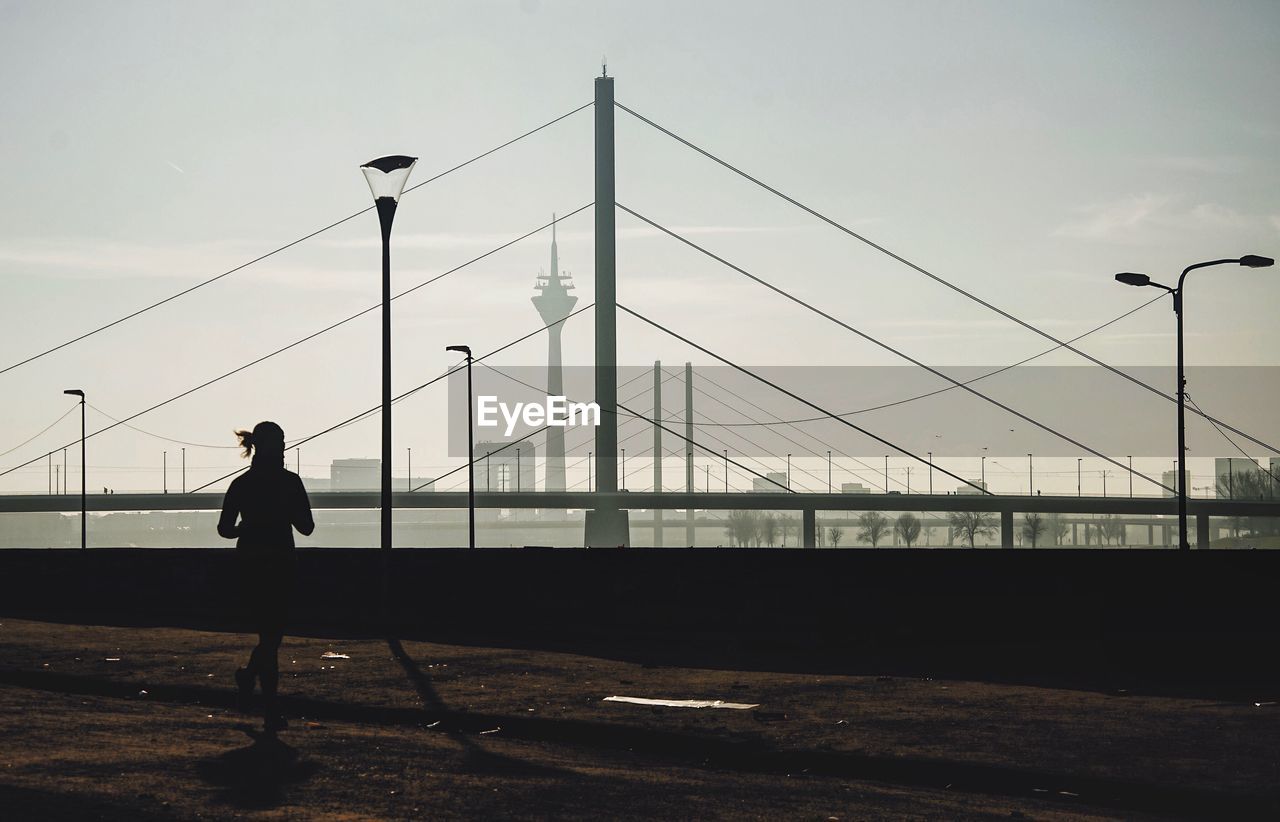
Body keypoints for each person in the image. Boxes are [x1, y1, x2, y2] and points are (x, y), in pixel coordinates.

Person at [217, 421, 314, 733]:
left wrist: (245, 528)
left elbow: (224, 529)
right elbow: (307, 527)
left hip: (251, 564)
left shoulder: (241, 485)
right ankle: (270, 707)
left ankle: (249, 678)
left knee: (269, 635)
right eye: (281, 442)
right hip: (280, 564)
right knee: (272, 636)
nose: (284, 448)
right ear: (269, 446)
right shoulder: (290, 482)